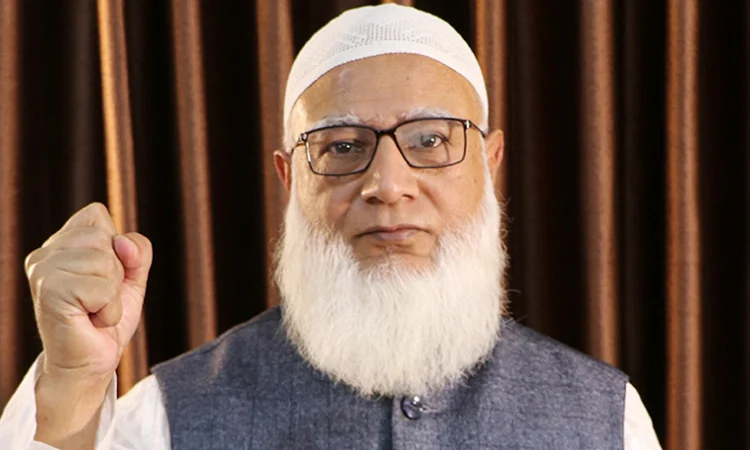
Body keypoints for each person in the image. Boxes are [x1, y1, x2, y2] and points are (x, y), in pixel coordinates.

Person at [0, 4, 661, 449]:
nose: (388, 184)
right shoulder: (170, 415)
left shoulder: (606, 419)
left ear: (489, 165)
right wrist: (72, 386)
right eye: (342, 147)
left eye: (431, 140)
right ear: (290, 178)